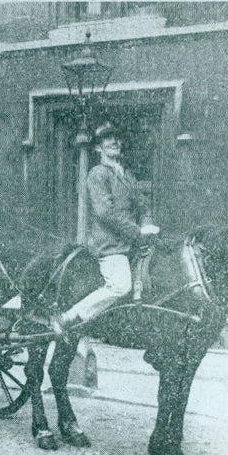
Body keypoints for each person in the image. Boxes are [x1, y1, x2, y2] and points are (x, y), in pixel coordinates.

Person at [51, 122, 160, 336]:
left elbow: (144, 206)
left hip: (133, 244)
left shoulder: (127, 176)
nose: (114, 142)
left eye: (116, 138)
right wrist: (138, 232)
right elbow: (105, 213)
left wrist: (148, 225)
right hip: (110, 246)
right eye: (107, 139)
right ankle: (68, 317)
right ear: (98, 148)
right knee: (120, 286)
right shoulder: (97, 174)